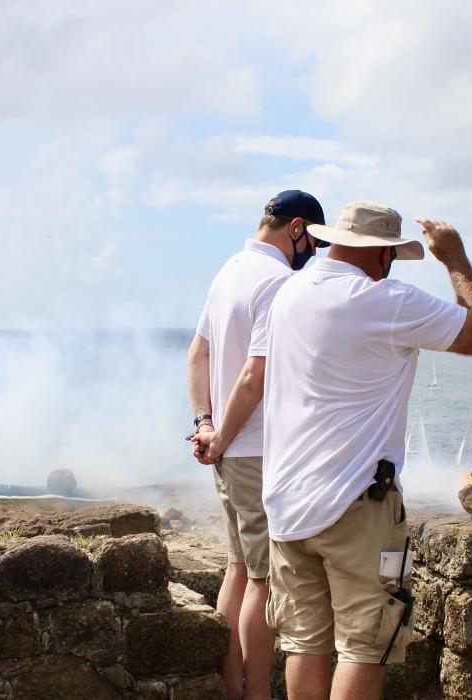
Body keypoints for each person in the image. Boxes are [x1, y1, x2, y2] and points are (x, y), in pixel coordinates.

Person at [262, 201, 472, 700]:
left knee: (303, 642)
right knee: (366, 644)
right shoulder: (385, 300)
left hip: (285, 500)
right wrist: (455, 260)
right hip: (357, 503)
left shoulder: (288, 293)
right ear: (382, 254)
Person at [186, 189, 326, 700]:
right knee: (266, 581)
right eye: (315, 242)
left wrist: (205, 424)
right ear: (296, 228)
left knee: (239, 570)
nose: (315, 254)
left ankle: (232, 687)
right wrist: (221, 435)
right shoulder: (278, 281)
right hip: (257, 450)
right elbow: (255, 375)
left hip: (228, 451)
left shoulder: (230, 269)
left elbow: (198, 353)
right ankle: (258, 694)